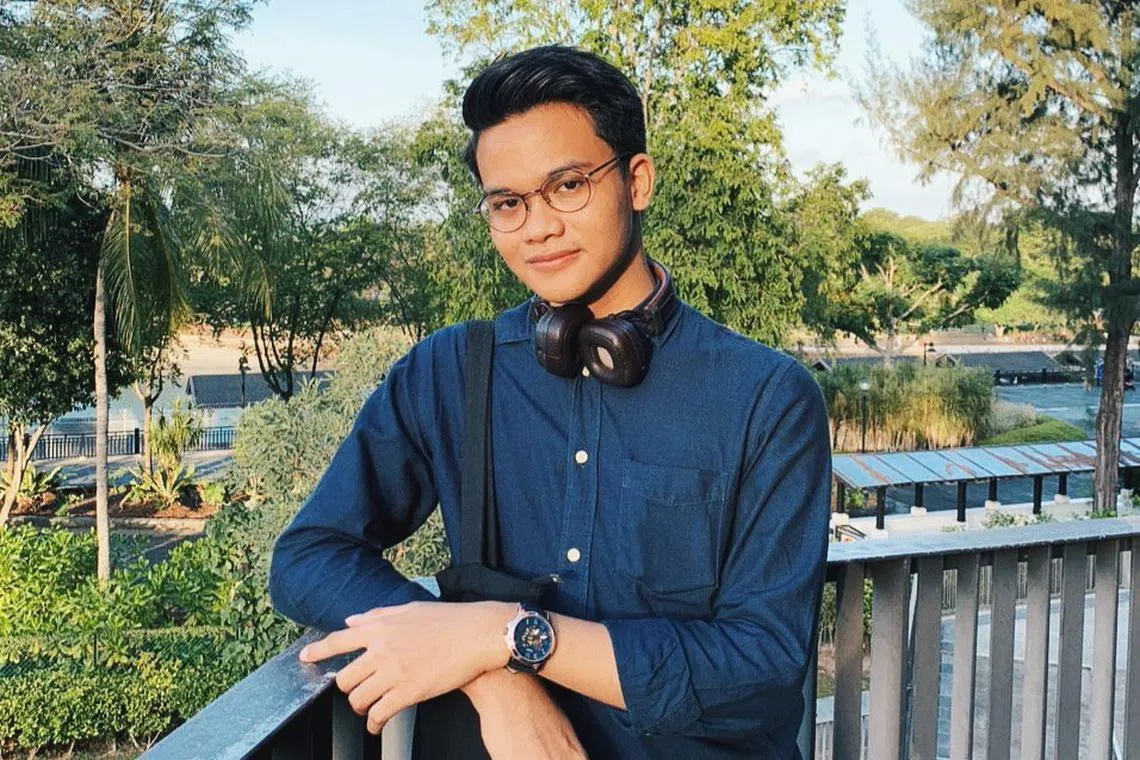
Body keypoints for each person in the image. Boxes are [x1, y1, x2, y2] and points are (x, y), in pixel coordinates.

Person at [268, 45, 832, 759]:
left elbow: (761, 672)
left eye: (567, 186)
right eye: (508, 203)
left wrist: (510, 635)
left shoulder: (768, 398)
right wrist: (488, 671)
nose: (537, 227)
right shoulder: (449, 371)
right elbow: (308, 556)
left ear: (637, 181)